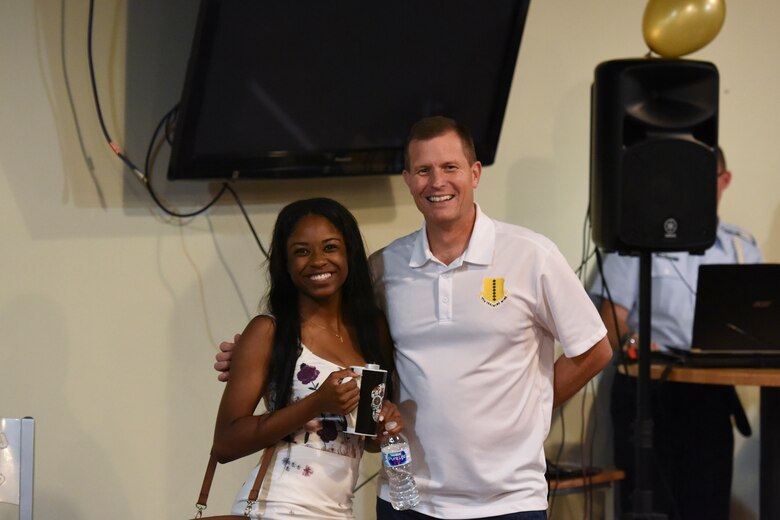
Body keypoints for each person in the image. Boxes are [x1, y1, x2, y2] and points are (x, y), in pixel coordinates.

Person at [218, 117, 612, 519]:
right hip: (406, 500)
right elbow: (331, 331)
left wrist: (531, 411)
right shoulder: (385, 268)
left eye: (450, 168)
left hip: (508, 500)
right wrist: (259, 353)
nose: (436, 182)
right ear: (408, 180)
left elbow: (594, 350)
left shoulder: (531, 255)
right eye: (423, 170)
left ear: (474, 173)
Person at [588, 147, 761, 520]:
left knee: (707, 506)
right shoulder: (636, 240)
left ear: (724, 181)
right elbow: (610, 324)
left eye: (705, 180)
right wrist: (633, 342)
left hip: (711, 396)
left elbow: (755, 324)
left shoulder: (739, 247)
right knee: (650, 509)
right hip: (648, 392)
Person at [212, 197, 403, 519]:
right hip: (276, 508)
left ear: (349, 254)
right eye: (302, 251)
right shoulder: (268, 331)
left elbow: (367, 442)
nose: (317, 261)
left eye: (330, 247)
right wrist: (315, 404)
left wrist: (385, 425)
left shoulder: (374, 331)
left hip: (338, 511)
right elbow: (226, 444)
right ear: (285, 265)